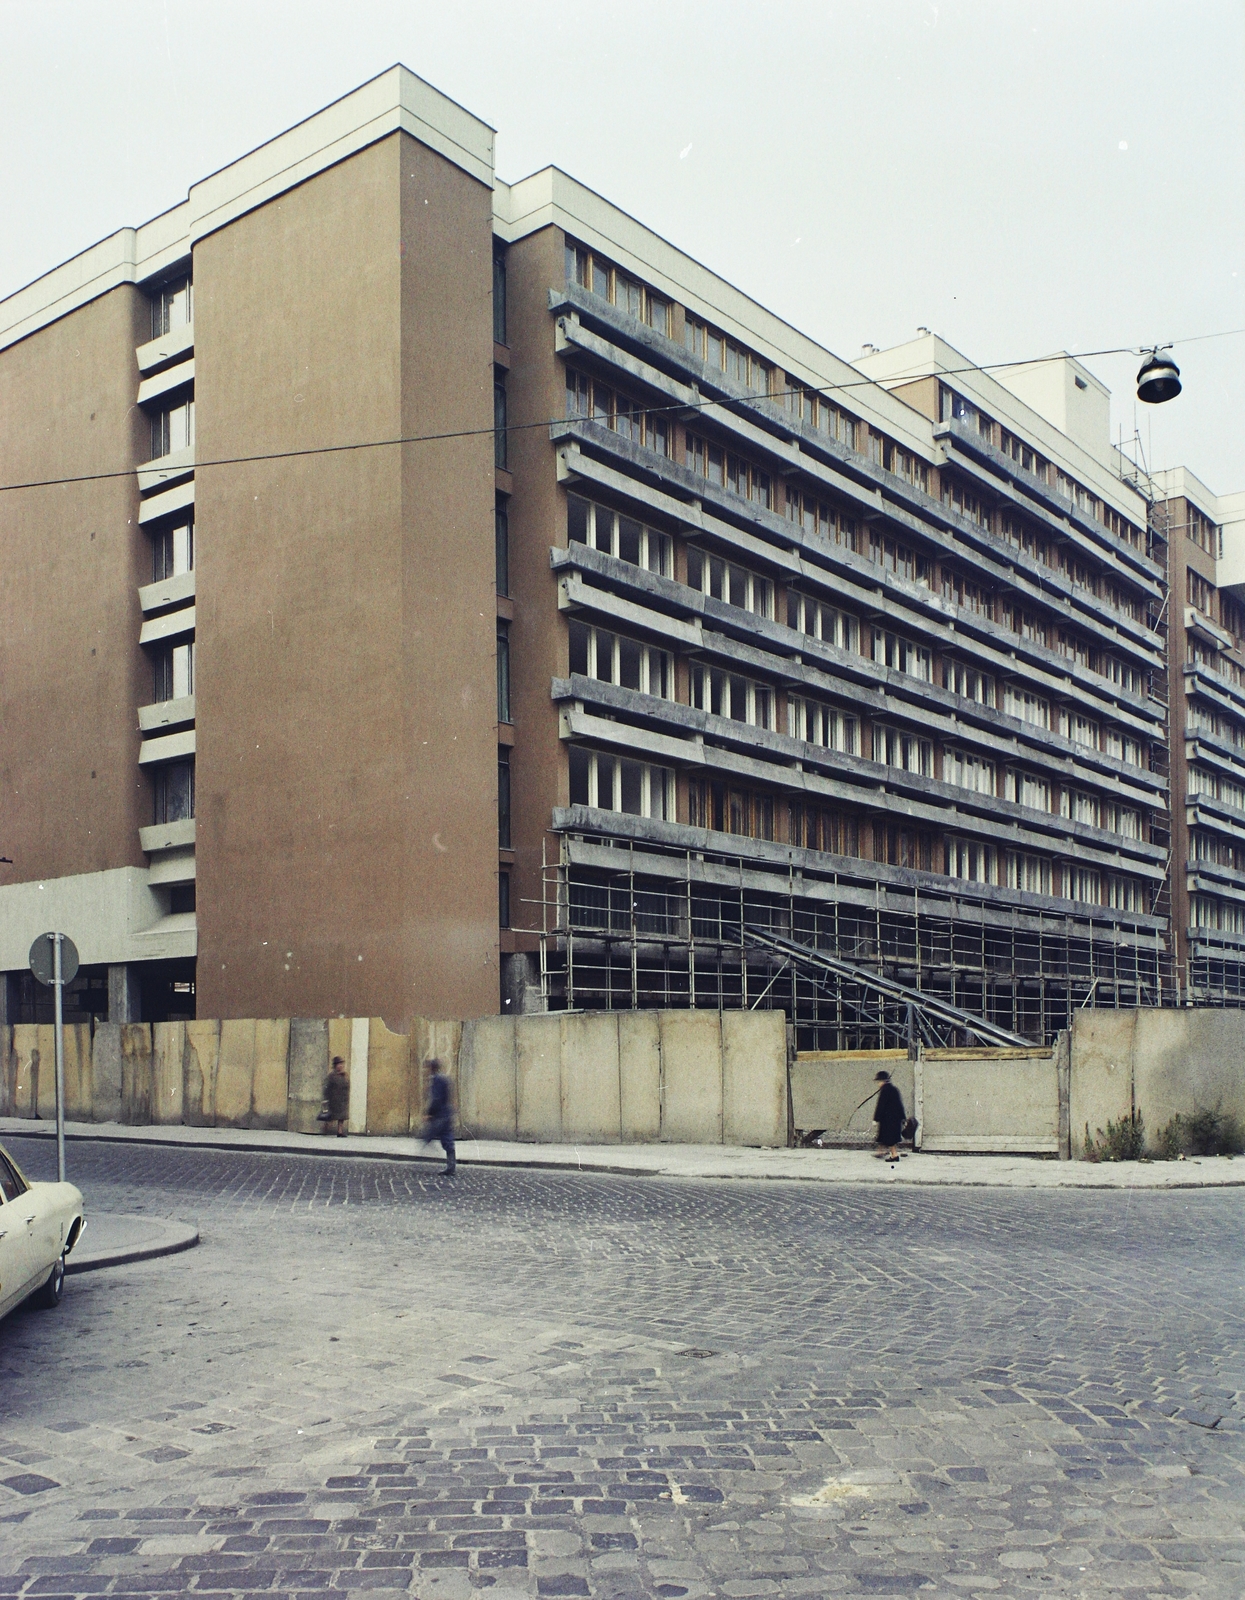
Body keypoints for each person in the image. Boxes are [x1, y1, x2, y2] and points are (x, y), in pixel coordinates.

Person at [422, 1058, 456, 1176]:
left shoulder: (436, 1080)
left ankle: (426, 1148)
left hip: (440, 1114)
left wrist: (429, 1113)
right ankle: (451, 1166)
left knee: (428, 1136)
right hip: (446, 1112)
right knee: (447, 1138)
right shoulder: (444, 1079)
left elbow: (436, 1098)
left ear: (432, 1068)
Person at [873, 1069, 905, 1164]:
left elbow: (880, 1106)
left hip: (888, 1119)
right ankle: (881, 1151)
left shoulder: (885, 1091)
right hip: (895, 1119)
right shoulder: (894, 1089)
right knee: (886, 1137)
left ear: (882, 1081)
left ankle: (894, 1155)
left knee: (889, 1138)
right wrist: (902, 1117)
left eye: (878, 1081)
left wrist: (876, 1118)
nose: (878, 1084)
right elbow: (899, 1104)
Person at [324, 1055, 350, 1137]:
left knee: (341, 1117)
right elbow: (327, 1087)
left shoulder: (344, 1075)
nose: (341, 1066)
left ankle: (340, 1131)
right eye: (339, 1064)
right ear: (335, 1065)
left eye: (341, 1064)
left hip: (342, 1099)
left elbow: (347, 1085)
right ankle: (326, 1128)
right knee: (331, 1116)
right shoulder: (332, 1076)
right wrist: (327, 1098)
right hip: (334, 1099)